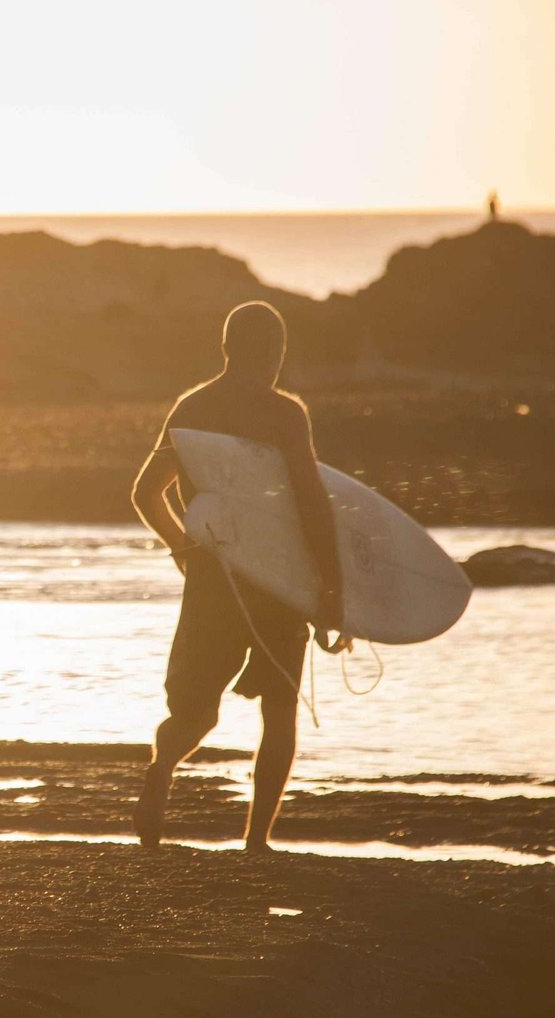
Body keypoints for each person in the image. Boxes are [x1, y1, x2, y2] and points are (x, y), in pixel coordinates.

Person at [130, 300, 344, 853]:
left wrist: (184, 547)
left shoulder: (193, 406)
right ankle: (256, 841)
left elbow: (145, 493)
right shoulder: (284, 414)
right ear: (277, 352)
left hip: (214, 580)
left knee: (196, 712)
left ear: (226, 349)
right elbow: (311, 502)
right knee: (279, 710)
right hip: (279, 582)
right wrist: (332, 588)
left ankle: (162, 768)